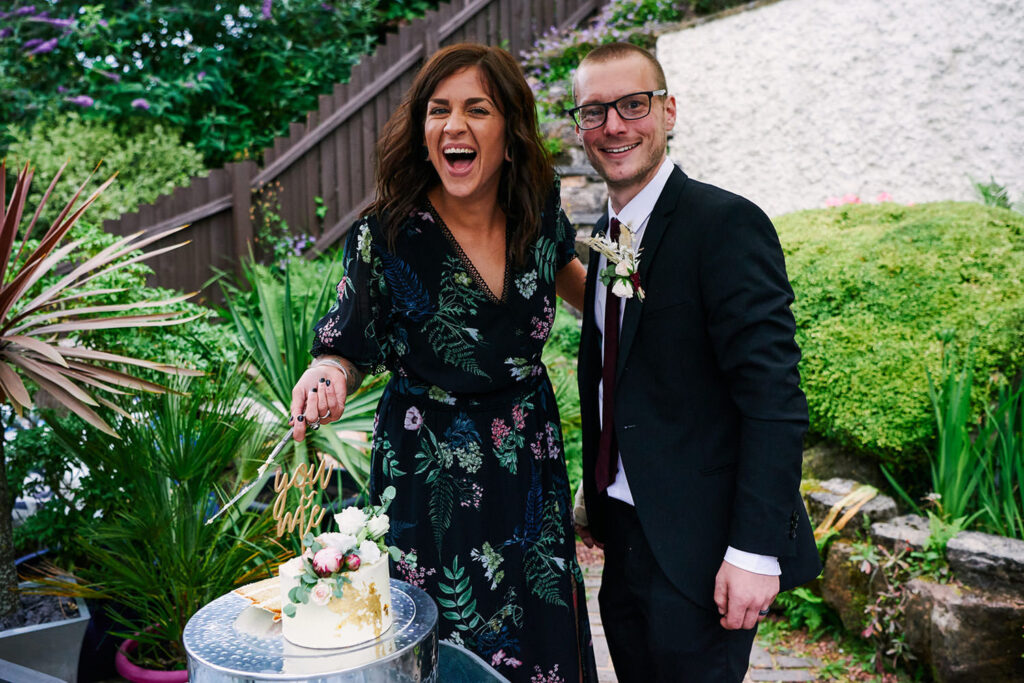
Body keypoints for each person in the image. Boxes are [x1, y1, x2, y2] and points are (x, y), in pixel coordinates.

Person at [288, 43, 597, 683]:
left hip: (527, 464)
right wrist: (326, 377)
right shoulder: (390, 233)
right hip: (430, 473)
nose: (453, 126)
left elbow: (582, 290)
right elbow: (345, 346)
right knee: (440, 644)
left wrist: (656, 307)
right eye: (438, 111)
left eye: (476, 109)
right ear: (424, 133)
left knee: (539, 640)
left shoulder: (538, 215)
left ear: (509, 134)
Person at [568, 43, 822, 682]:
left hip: (703, 550)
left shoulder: (726, 225)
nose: (614, 126)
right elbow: (615, 377)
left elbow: (774, 398)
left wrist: (755, 551)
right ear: (579, 128)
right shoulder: (605, 237)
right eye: (595, 112)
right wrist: (596, 495)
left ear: (669, 110)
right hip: (624, 538)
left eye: (633, 104)